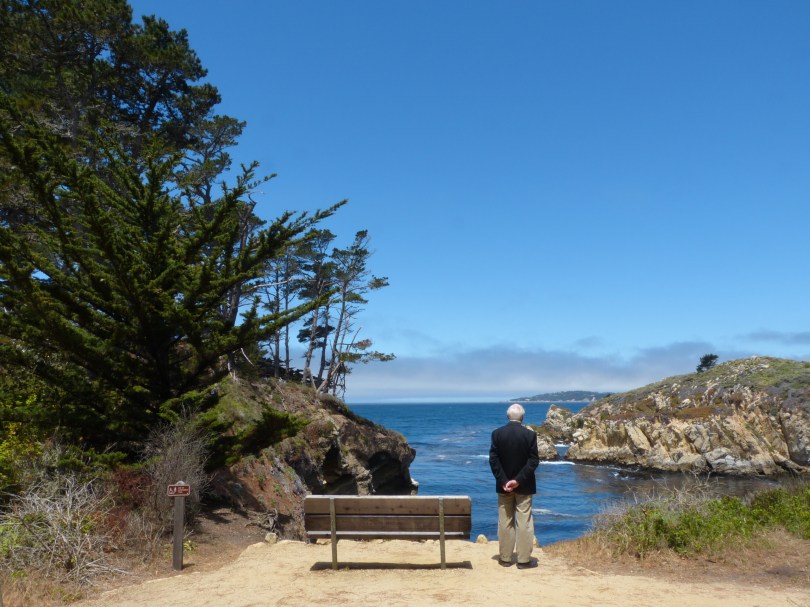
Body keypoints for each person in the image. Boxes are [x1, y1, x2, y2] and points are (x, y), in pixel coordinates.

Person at [489, 403, 540, 568]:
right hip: (524, 485)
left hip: (504, 487)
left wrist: (505, 480)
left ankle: (505, 558)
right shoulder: (530, 435)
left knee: (505, 521)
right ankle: (523, 560)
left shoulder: (497, 434)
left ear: (507, 416)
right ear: (522, 418)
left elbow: (493, 460)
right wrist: (518, 480)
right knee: (524, 522)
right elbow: (533, 461)